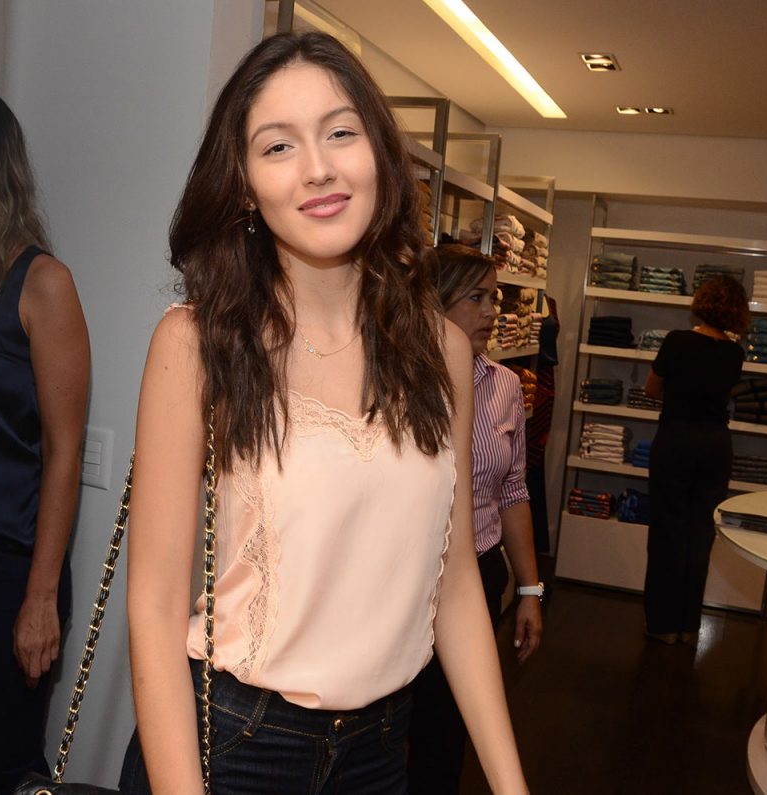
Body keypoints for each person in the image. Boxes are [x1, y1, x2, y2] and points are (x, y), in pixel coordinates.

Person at [119, 33, 528, 795]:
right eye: (278, 146)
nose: (318, 168)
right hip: (232, 746)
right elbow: (154, 604)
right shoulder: (197, 343)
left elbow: (452, 580)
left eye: (341, 132)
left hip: (381, 750)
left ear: (379, 154)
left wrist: (510, 783)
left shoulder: (441, 349)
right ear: (245, 183)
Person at [0, 89, 91, 794]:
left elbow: (65, 451)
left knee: (1, 766)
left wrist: (40, 598)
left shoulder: (43, 284)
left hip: (11, 569)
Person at [407, 245, 543, 793]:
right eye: (477, 297)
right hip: (402, 577)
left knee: (446, 734)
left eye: (496, 299)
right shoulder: (397, 379)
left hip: (476, 573)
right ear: (435, 301)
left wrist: (529, 589)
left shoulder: (504, 385)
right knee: (386, 728)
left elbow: (513, 490)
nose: (491, 312)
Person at [642, 276, 749, 644]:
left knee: (667, 531)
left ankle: (663, 625)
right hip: (716, 444)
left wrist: (677, 394)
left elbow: (651, 388)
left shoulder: (677, 341)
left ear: (702, 302)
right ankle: (689, 626)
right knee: (701, 534)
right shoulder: (735, 354)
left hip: (677, 438)